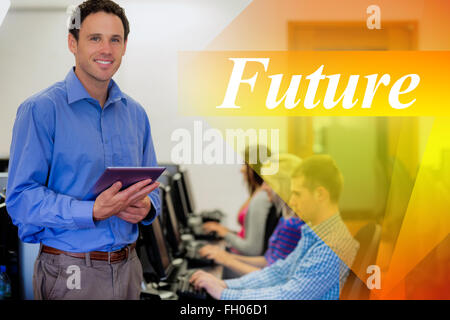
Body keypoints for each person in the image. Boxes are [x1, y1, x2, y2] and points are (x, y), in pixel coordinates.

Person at [6, 0, 160, 300]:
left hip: (129, 268)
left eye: (115, 39)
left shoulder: (136, 114)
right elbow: (21, 199)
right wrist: (91, 211)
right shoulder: (40, 110)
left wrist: (147, 207)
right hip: (70, 272)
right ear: (72, 43)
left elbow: (153, 188)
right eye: (94, 38)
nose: (106, 49)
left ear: (125, 46)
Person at [190, 155, 360, 300]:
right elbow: (278, 272)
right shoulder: (314, 234)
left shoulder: (332, 246)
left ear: (320, 194)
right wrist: (225, 285)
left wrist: (224, 294)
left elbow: (289, 295)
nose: (292, 201)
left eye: (298, 194)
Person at [199, 154, 305, 277]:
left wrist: (227, 260)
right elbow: (268, 261)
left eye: (268, 182)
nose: (264, 187)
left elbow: (275, 276)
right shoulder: (284, 220)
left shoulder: (293, 225)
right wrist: (226, 257)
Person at [202, 146, 272, 256]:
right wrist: (224, 230)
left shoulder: (261, 199)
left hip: (244, 259)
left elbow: (252, 249)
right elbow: (248, 237)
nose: (242, 169)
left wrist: (225, 233)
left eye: (245, 164)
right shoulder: (256, 195)